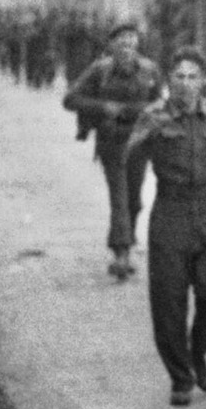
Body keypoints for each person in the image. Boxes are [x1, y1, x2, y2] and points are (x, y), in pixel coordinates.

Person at [123, 47, 206, 407]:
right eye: (179, 76)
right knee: (169, 301)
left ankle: (199, 353)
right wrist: (131, 213)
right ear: (168, 81)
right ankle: (181, 376)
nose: (186, 84)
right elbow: (131, 162)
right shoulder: (153, 117)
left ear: (203, 81)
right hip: (170, 213)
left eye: (193, 76)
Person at [62, 21, 163, 280]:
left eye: (131, 40)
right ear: (112, 45)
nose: (127, 45)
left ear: (137, 44)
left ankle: (124, 242)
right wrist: (104, 107)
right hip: (111, 141)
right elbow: (70, 99)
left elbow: (161, 103)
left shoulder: (150, 70)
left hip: (139, 143)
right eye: (121, 40)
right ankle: (122, 253)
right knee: (119, 197)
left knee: (134, 199)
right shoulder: (100, 70)